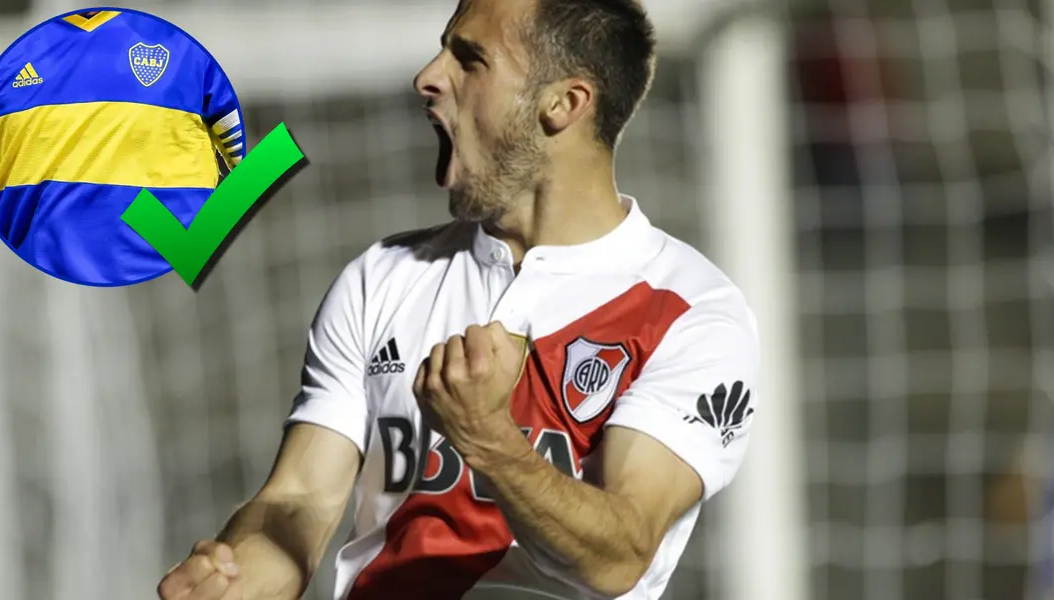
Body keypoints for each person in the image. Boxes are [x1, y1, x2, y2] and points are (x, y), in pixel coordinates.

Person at [158, 0, 759, 598]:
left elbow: (621, 554)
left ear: (564, 104)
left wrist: (486, 437)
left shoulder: (693, 313)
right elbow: (299, 500)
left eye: (470, 59)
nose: (429, 76)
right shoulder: (381, 279)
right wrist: (238, 574)